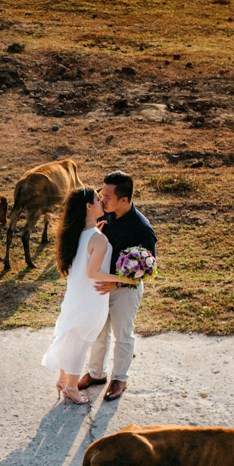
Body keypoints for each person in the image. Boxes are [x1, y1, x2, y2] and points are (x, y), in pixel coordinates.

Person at [77, 170, 155, 401]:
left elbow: (148, 267)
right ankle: (96, 374)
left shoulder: (142, 227)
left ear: (124, 199)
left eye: (108, 196)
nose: (102, 199)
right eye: (102, 194)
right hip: (100, 288)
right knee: (98, 332)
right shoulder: (105, 217)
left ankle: (119, 378)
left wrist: (118, 282)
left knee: (123, 334)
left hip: (125, 291)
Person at [39, 186, 109, 404]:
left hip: (75, 297)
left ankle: (62, 379)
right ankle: (71, 387)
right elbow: (93, 272)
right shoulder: (98, 239)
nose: (102, 202)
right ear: (89, 207)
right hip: (92, 299)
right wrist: (124, 279)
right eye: (98, 199)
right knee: (80, 345)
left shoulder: (78, 234)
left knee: (71, 339)